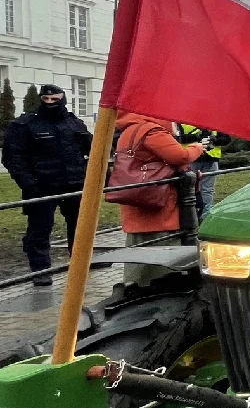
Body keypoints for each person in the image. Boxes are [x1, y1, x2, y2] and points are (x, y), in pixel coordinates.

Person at [1, 84, 91, 286]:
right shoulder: (24, 125)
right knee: (39, 230)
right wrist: (29, 184)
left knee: (80, 227)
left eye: (55, 100)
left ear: (63, 100)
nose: (50, 103)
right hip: (41, 187)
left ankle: (81, 263)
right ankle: (41, 271)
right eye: (46, 99)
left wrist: (91, 176)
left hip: (73, 184)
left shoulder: (74, 124)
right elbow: (13, 158)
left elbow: (91, 150)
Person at [113, 111, 203, 288]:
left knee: (138, 260)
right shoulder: (152, 131)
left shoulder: (129, 130)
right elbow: (180, 156)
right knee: (163, 264)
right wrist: (197, 148)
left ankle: (134, 291)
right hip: (158, 208)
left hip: (136, 205)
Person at [178, 123, 230, 220]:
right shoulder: (182, 121)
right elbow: (178, 138)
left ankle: (204, 217)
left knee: (206, 190)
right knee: (189, 189)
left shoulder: (214, 120)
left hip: (211, 159)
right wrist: (197, 137)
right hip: (191, 158)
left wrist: (215, 140)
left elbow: (226, 139)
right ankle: (190, 216)